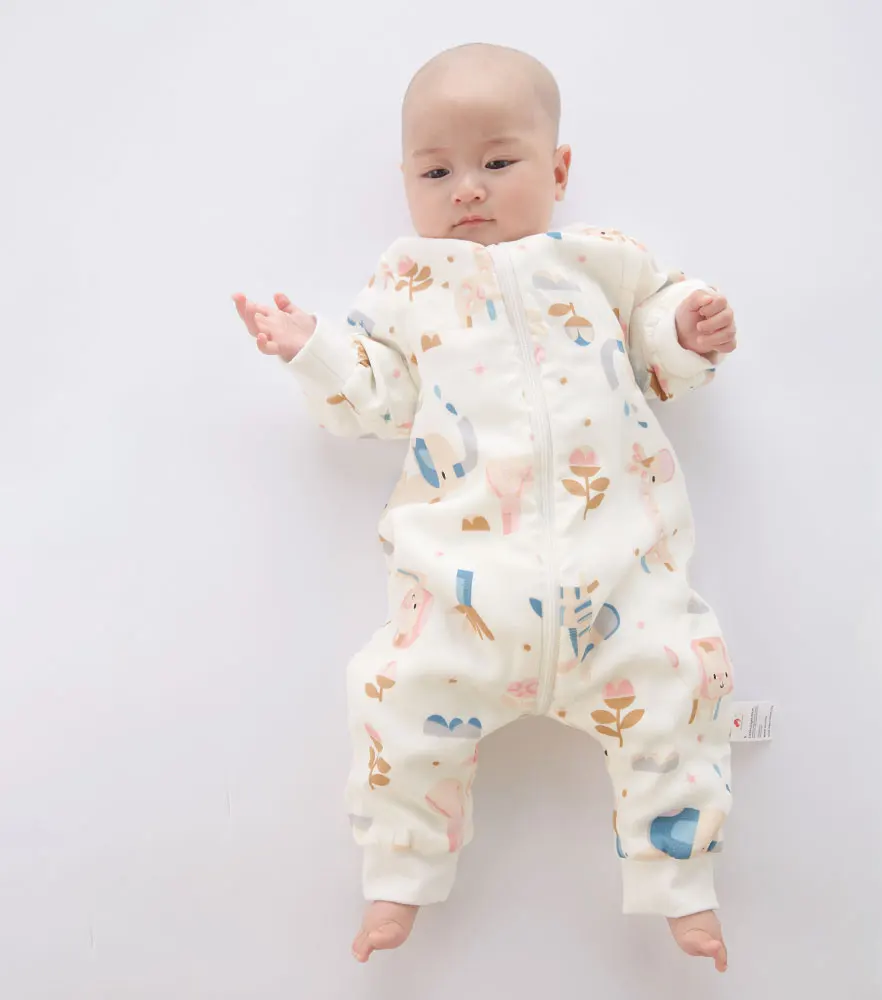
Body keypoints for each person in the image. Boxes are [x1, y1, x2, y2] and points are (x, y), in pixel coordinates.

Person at [232, 42, 738, 972]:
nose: (467, 189)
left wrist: (686, 326)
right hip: (462, 601)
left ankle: (681, 882)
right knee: (390, 694)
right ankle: (400, 870)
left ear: (559, 169)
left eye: (498, 161)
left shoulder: (602, 262)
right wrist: (313, 348)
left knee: (685, 686)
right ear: (405, 183)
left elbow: (655, 351)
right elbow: (378, 400)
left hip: (622, 588)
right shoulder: (405, 287)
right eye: (436, 172)